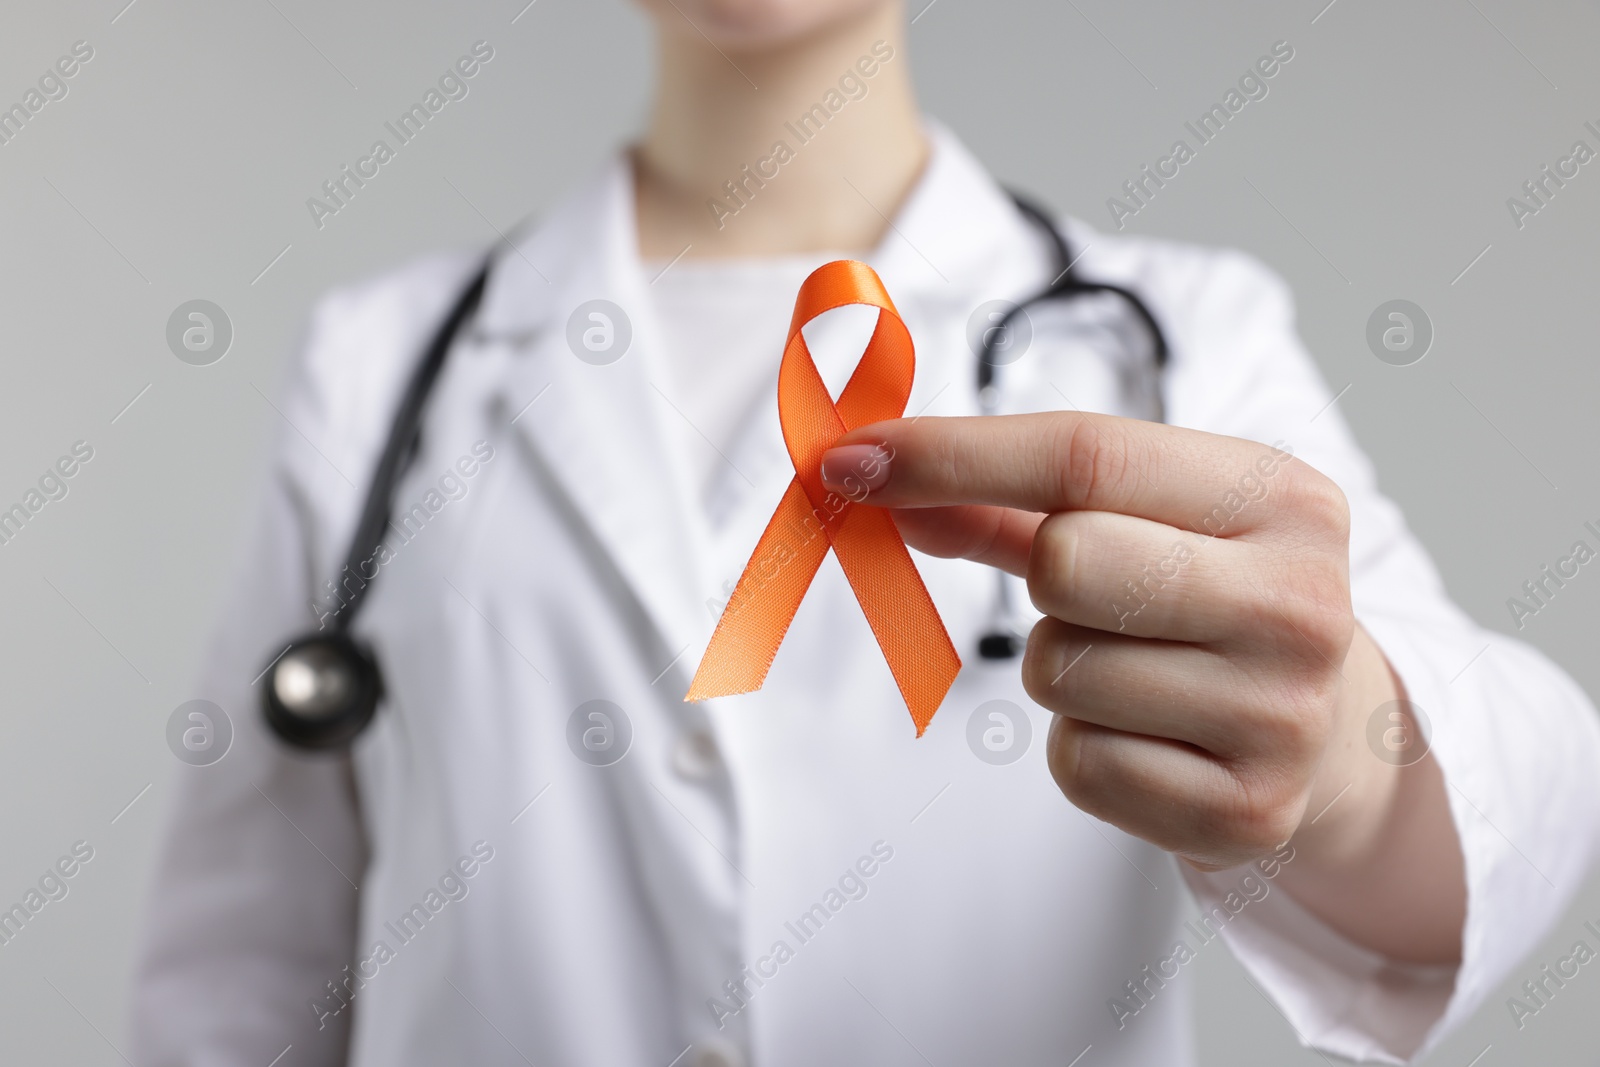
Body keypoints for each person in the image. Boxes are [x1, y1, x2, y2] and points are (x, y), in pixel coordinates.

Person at [132, 1, 1600, 1064]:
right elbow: (238, 985)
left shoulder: (1179, 342)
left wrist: (1342, 758)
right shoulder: (379, 366)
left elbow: (1502, 816)